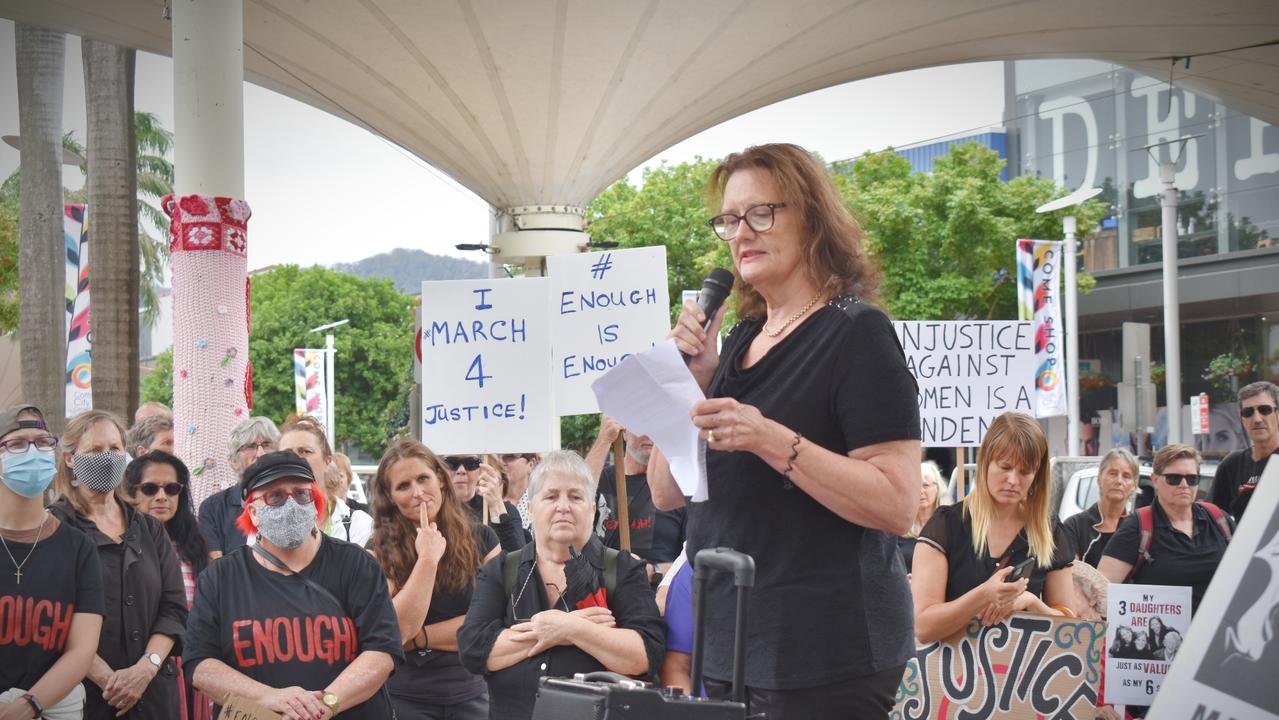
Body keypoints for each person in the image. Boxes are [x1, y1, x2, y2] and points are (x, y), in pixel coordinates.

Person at [650, 143, 920, 719]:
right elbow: (666, 493)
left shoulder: (856, 333)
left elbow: (899, 505)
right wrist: (687, 386)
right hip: (727, 639)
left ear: (812, 217)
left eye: (760, 213)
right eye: (728, 220)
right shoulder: (742, 338)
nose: (741, 232)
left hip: (824, 652)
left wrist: (770, 439)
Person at [183, 452, 402, 719]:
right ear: (252, 511)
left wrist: (324, 706)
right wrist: (272, 699)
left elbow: (382, 651)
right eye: (275, 496)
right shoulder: (220, 578)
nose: (291, 504)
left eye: (301, 494)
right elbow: (200, 665)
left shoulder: (356, 565)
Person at [458, 450, 664, 720]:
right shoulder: (501, 570)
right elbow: (474, 651)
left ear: (592, 510)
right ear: (531, 508)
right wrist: (559, 629)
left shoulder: (623, 570)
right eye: (551, 496)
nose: (563, 506)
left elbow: (644, 656)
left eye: (576, 497)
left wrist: (570, 628)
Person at [49, 410, 187, 720]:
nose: (107, 458)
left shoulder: (149, 528)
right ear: (70, 458)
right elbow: (53, 616)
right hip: (84, 696)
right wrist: (108, 680)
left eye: (114, 449)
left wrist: (145, 669)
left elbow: (174, 607)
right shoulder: (53, 528)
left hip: (153, 695)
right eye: (95, 451)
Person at [367, 438, 502, 719]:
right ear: (390, 497)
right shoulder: (378, 550)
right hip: (404, 698)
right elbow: (395, 631)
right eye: (403, 486)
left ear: (440, 478)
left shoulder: (483, 538)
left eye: (423, 478)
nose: (417, 492)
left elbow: (492, 625)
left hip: (472, 693)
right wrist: (427, 560)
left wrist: (421, 638)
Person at [913, 413, 1075, 644]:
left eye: (1025, 471)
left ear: (1037, 476)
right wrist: (983, 595)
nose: (1012, 480)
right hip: (955, 675)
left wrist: (1031, 602)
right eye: (1005, 466)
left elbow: (1071, 627)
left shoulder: (1049, 530)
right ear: (985, 461)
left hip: (1024, 673)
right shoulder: (946, 525)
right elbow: (923, 627)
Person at [0, 404, 104, 719]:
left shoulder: (79, 548)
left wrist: (27, 706)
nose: (33, 451)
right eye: (17, 444)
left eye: (43, 442)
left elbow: (82, 649)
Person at [124, 451, 214, 720]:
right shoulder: (120, 546)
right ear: (132, 493)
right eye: (150, 488)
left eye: (172, 488)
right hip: (141, 665)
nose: (161, 496)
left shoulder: (196, 546)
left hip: (191, 663)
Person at [1099, 443, 1235, 611]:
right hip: (1161, 634)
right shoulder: (1137, 527)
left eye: (1192, 479)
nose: (1184, 484)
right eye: (1174, 479)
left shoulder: (1219, 519)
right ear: (1155, 480)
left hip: (1219, 633)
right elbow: (1101, 593)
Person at [586, 417, 686, 576]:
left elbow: (690, 558)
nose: (650, 435)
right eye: (641, 425)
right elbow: (578, 494)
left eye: (657, 429)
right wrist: (604, 440)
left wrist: (654, 570)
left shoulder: (678, 487)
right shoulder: (599, 479)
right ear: (624, 431)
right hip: (605, 595)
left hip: (656, 595)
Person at [277, 416, 373, 548]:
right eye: (287, 454)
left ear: (327, 461)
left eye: (305, 451)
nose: (295, 460)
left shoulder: (358, 524)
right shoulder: (266, 524)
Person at [198, 417, 279, 559]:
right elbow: (217, 570)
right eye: (250, 446)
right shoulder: (213, 508)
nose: (260, 454)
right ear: (233, 461)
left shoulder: (294, 501)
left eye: (266, 444)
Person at [1211, 381, 1279, 521]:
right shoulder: (1231, 464)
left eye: (1264, 410)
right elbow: (1214, 517)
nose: (1257, 419)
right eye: (1248, 412)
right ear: (1242, 420)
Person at [1063, 448, 1139, 567]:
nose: (1119, 481)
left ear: (1134, 485)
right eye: (1113, 474)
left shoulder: (1138, 528)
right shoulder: (1074, 525)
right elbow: (1073, 573)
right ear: (1099, 479)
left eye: (1126, 476)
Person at [444, 455, 526, 551]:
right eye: (451, 463)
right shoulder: (433, 511)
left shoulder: (505, 511)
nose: (461, 470)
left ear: (480, 470)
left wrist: (496, 508)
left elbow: (519, 560)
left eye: (470, 463)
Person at [899, 460, 945, 573]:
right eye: (915, 486)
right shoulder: (900, 527)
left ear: (937, 488)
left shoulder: (950, 526)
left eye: (925, 485)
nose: (920, 491)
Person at [500, 453, 538, 533]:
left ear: (531, 464)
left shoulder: (539, 501)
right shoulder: (487, 501)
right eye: (498, 456)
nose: (501, 462)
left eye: (510, 456)